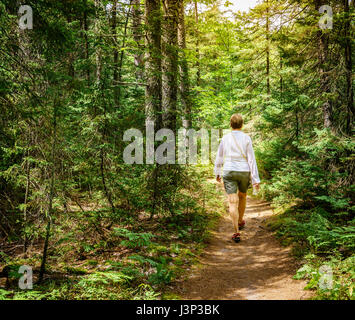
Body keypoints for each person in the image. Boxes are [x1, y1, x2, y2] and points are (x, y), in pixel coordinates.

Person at [214, 114, 260, 243]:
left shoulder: (225, 138)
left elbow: (219, 157)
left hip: (229, 170)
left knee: (232, 201)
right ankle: (240, 221)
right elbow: (251, 159)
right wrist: (256, 179)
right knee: (242, 196)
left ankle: (236, 232)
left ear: (230, 124)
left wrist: (217, 172)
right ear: (242, 124)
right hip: (244, 171)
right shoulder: (246, 138)